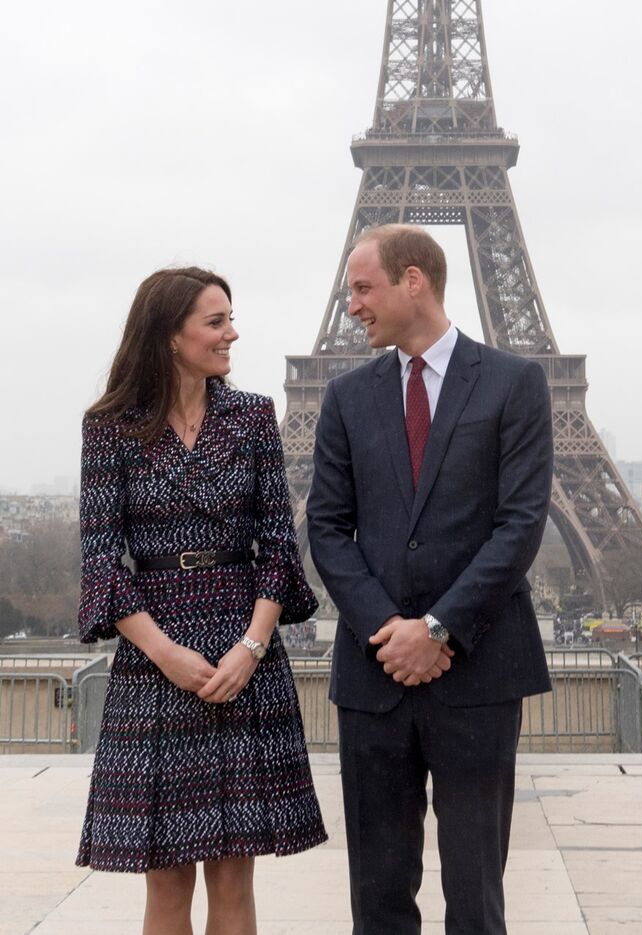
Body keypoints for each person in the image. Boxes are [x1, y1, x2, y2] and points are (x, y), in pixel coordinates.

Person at [307, 225, 553, 935]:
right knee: (377, 898)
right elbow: (326, 527)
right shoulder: (347, 396)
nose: (351, 303)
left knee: (476, 899)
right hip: (375, 674)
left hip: (477, 674)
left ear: (413, 280)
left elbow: (520, 525)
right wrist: (393, 631)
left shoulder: (515, 382)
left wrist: (438, 628)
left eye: (362, 287)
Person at [76, 267, 327, 935]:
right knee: (164, 877)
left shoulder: (252, 416)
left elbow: (278, 542)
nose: (232, 333)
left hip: (243, 638)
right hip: (155, 648)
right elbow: (102, 557)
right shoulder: (110, 428)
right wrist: (164, 653)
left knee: (234, 875)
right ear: (169, 335)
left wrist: (251, 645)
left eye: (229, 317)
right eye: (216, 322)